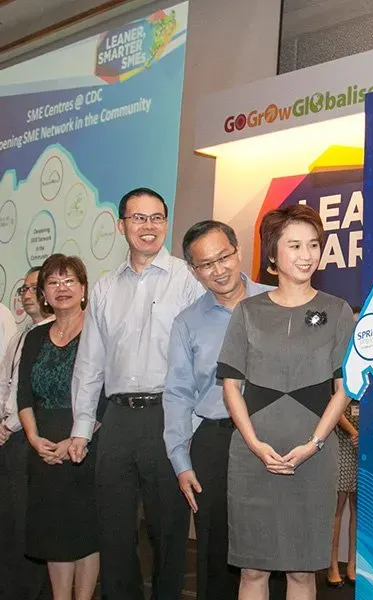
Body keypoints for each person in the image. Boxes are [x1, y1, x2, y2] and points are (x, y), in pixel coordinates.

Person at [67, 187, 203, 600]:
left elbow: (205, 357)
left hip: (170, 415)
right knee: (113, 531)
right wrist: (81, 428)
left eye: (157, 217)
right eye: (139, 218)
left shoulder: (188, 279)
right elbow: (90, 362)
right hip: (118, 419)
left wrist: (190, 425)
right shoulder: (106, 288)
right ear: (120, 225)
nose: (149, 227)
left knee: (169, 532)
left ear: (167, 222)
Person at [217, 204, 353, 599]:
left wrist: (313, 444)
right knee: (252, 570)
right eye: (294, 245)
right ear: (273, 254)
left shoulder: (337, 310)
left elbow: (343, 388)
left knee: (302, 571)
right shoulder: (247, 311)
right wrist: (256, 445)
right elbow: (230, 385)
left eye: (313, 244)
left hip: (313, 457)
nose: (307, 254)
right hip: (252, 455)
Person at [163, 221, 273, 600]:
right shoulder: (187, 322)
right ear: (193, 271)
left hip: (275, 436)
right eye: (205, 264)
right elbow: (177, 393)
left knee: (274, 545)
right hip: (215, 443)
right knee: (216, 549)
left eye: (223, 256)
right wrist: (181, 461)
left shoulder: (279, 302)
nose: (218, 269)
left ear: (238, 251)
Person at [17, 254, 99, 599]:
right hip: (43, 446)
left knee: (86, 532)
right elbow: (23, 395)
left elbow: (106, 393)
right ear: (44, 294)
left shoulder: (97, 332)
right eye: (53, 282)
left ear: (83, 289)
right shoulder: (35, 337)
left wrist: (76, 439)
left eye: (69, 281)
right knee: (54, 533)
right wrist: (35, 438)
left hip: (88, 444)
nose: (61, 288)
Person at [0, 267, 53, 600]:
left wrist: (8, 426)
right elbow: (5, 383)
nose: (28, 294)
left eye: (35, 287)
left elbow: (28, 392)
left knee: (26, 524)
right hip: (8, 437)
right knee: (8, 523)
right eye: (24, 289)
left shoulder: (56, 334)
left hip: (30, 437)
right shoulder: (21, 335)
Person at [328, 308, 360, 589]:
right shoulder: (337, 360)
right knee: (336, 508)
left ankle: (353, 564)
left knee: (359, 510)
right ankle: (330, 566)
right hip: (341, 440)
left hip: (366, 446)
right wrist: (353, 432)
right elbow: (332, 406)